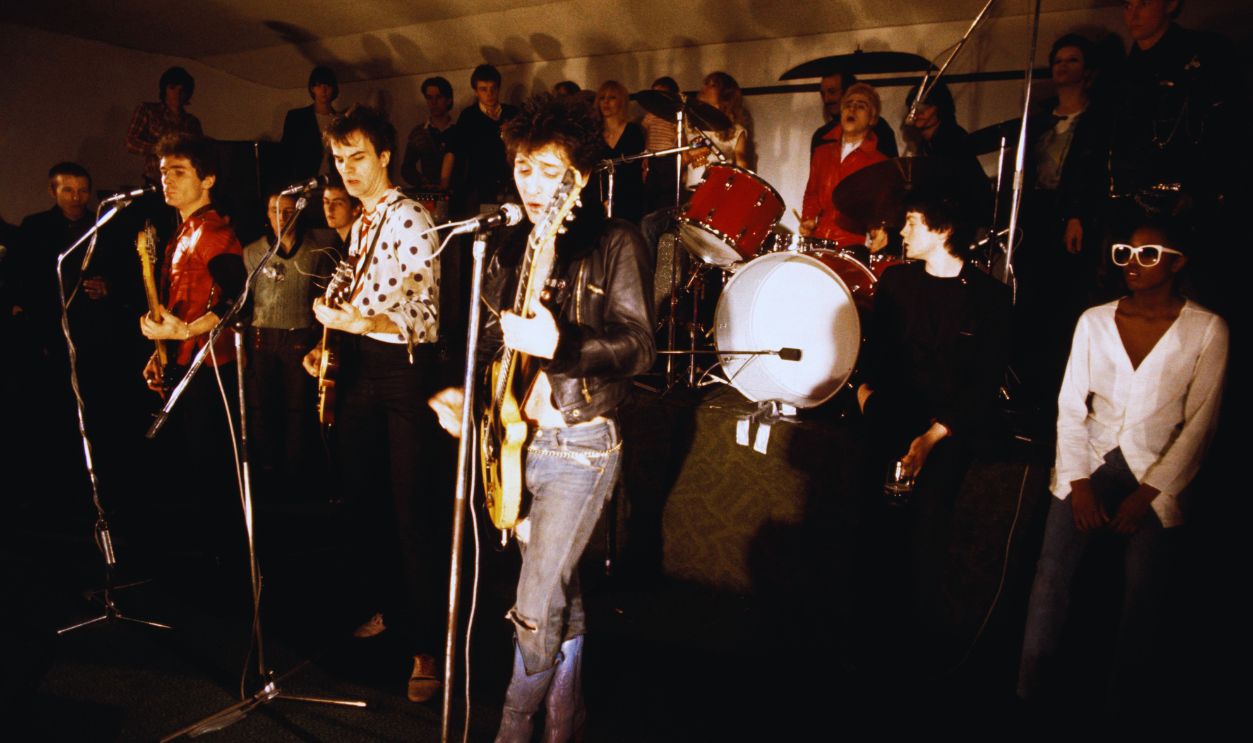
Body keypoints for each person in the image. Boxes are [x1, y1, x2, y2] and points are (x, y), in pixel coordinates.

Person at [428, 92, 654, 742]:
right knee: (559, 590)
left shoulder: (616, 241)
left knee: (533, 601)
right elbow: (494, 347)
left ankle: (511, 728)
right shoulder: (509, 247)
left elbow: (639, 346)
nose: (531, 183)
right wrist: (465, 400)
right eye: (524, 167)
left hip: (582, 444)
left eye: (548, 170)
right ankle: (564, 719)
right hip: (515, 443)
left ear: (578, 176)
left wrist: (563, 345)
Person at [1017, 218, 1226, 721]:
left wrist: (1146, 494)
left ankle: (1123, 709)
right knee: (1049, 577)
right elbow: (1070, 406)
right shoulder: (1094, 320)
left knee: (1143, 594)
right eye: (1125, 253)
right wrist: (1080, 484)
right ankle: (1027, 697)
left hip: (1158, 474)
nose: (1133, 263)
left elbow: (1200, 425)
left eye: (1148, 255)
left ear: (1177, 262)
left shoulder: (1208, 329)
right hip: (1088, 459)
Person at [298, 104, 444, 703]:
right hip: (359, 368)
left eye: (358, 157)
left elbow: (424, 314)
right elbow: (351, 295)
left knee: (411, 512)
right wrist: (326, 344)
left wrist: (362, 320)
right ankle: (390, 609)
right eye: (338, 159)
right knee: (364, 504)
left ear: (385, 156)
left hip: (400, 373)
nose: (347, 170)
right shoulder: (360, 224)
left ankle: (427, 646)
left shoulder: (410, 217)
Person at [855, 192, 1011, 664]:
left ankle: (913, 649)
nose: (902, 232)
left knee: (925, 532)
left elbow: (984, 384)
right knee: (872, 526)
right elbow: (874, 357)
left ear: (943, 231)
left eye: (912, 223)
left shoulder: (989, 296)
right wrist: (866, 400)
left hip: (948, 428)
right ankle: (866, 639)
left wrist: (932, 437)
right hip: (890, 417)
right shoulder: (897, 281)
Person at [138, 133, 246, 558]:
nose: (167, 180)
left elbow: (237, 297)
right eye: (164, 172)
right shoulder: (182, 231)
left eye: (179, 172)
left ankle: (222, 563)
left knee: (211, 471)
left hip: (210, 368)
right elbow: (179, 305)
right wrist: (159, 348)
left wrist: (186, 333)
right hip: (183, 364)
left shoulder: (213, 231)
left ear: (208, 178)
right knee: (188, 472)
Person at [242, 191, 338, 495]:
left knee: (298, 408)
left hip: (299, 337)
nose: (281, 217)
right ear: (267, 214)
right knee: (261, 408)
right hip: (262, 336)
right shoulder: (252, 253)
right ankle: (266, 473)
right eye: (274, 210)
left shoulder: (317, 250)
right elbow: (246, 303)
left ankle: (296, 476)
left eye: (287, 210)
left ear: (298, 212)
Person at [799, 82, 889, 249]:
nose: (852, 110)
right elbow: (812, 194)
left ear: (872, 118)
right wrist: (808, 219)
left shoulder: (879, 162)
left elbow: (878, 209)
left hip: (854, 245)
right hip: (819, 242)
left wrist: (879, 231)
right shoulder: (822, 153)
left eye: (861, 106)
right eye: (848, 105)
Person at [449, 64, 519, 217]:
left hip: (510, 183)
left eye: (493, 88)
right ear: (476, 91)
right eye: (483, 89)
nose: (490, 94)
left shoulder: (513, 113)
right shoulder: (468, 116)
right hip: (479, 187)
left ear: (499, 88)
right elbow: (456, 150)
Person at [125, 67, 204, 185]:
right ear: (164, 89)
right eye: (172, 88)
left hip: (184, 182)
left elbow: (200, 151)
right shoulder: (149, 110)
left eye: (182, 90)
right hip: (156, 180)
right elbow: (130, 142)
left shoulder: (192, 122)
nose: (177, 94)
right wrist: (161, 149)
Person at [810, 70, 898, 159]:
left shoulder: (879, 128)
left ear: (848, 92)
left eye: (832, 92)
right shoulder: (820, 137)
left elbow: (893, 169)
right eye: (823, 94)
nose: (826, 99)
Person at [593, 80, 645, 223]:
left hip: (629, 198)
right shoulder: (593, 132)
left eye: (612, 98)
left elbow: (636, 169)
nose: (606, 102)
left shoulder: (634, 131)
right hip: (599, 198)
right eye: (602, 98)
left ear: (621, 101)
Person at [281, 66, 339, 182]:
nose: (323, 90)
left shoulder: (339, 120)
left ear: (333, 89)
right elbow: (286, 153)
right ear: (312, 88)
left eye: (327, 85)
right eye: (318, 85)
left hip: (333, 182)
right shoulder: (297, 118)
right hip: (304, 181)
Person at [401, 76, 456, 192]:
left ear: (448, 100)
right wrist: (422, 181)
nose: (433, 102)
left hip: (458, 195)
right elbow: (407, 168)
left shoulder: (459, 132)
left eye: (438, 97)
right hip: (428, 194)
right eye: (429, 98)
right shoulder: (419, 133)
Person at [640, 76, 681, 213]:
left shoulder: (676, 116)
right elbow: (644, 134)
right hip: (652, 157)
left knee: (668, 195)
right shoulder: (650, 115)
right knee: (650, 194)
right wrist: (644, 156)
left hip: (669, 157)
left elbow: (680, 137)